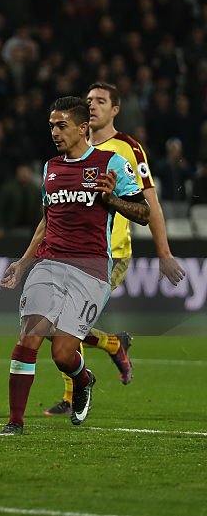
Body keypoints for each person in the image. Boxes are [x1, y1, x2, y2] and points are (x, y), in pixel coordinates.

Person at [0, 96, 149, 436]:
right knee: (29, 336)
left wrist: (112, 200)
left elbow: (144, 214)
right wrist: (23, 263)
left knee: (64, 354)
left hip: (91, 269)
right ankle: (14, 423)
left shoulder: (111, 164)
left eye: (61, 125)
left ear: (83, 128)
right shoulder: (50, 168)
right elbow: (45, 222)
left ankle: (83, 380)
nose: (54, 131)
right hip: (49, 263)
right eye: (51, 125)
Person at [43, 82, 186, 416]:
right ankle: (111, 344)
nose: (92, 105)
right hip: (68, 253)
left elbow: (149, 203)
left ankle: (70, 396)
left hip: (112, 253)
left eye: (101, 101)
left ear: (115, 109)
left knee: (62, 321)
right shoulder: (74, 148)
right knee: (50, 323)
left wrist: (163, 252)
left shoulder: (127, 150)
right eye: (89, 100)